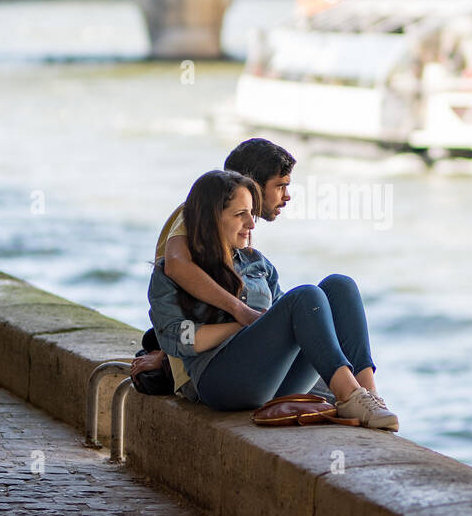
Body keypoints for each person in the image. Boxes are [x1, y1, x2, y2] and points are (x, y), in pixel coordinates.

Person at [148, 170, 399, 430]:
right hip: (221, 381)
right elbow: (177, 339)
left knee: (339, 286)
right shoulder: (172, 273)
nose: (251, 224)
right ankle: (349, 397)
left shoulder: (257, 263)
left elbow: (289, 322)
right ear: (211, 220)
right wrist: (243, 322)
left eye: (251, 213)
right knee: (306, 295)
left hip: (274, 380)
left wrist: (271, 323)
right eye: (239, 215)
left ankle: (369, 395)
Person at [153, 137, 297, 396]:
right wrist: (241, 313)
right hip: (209, 370)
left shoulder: (246, 248)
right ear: (253, 185)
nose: (287, 196)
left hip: (241, 358)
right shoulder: (197, 214)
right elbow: (175, 268)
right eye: (280, 186)